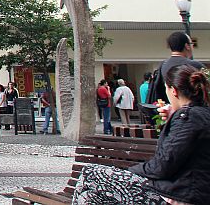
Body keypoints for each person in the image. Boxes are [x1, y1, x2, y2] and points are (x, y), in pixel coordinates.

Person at [73, 64, 210, 204]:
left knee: (89, 173)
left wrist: (129, 172)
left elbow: (162, 165)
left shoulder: (187, 117)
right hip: (181, 191)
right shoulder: (199, 114)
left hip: (181, 197)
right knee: (89, 196)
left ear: (173, 91)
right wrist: (172, 119)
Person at [148, 31, 204, 104]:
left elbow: (159, 90)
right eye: (191, 44)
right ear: (187, 46)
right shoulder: (196, 66)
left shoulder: (163, 66)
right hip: (194, 108)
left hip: (170, 109)